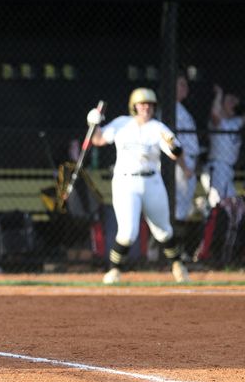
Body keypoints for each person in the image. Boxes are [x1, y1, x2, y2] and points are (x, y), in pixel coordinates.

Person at [87, 87, 190, 285]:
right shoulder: (121, 124)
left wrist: (173, 145)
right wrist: (92, 124)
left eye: (150, 105)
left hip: (152, 181)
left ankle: (178, 266)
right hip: (126, 182)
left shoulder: (158, 128)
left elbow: (176, 153)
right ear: (134, 106)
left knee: (164, 231)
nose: (146, 108)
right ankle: (114, 270)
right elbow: (98, 140)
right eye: (142, 104)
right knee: (127, 232)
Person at [201, 85, 244, 208]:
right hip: (217, 167)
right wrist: (219, 95)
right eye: (230, 101)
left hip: (229, 169)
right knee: (219, 205)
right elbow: (215, 113)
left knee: (234, 206)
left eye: (236, 102)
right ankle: (210, 223)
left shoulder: (235, 122)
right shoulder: (218, 122)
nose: (233, 104)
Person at [173, 71, 201, 256]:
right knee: (179, 211)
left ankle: (178, 252)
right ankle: (175, 254)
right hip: (180, 165)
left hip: (187, 164)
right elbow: (172, 142)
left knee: (185, 210)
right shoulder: (171, 109)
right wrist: (184, 166)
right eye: (181, 84)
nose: (186, 88)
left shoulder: (180, 108)